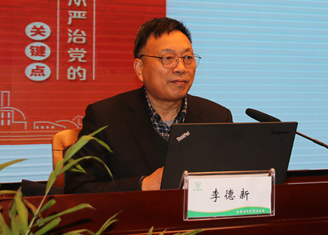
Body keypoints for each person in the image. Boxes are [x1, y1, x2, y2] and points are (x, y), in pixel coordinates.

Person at [65, 17, 233, 193]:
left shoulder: (217, 118)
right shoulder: (105, 118)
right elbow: (78, 189)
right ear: (140, 69)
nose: (181, 68)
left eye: (187, 58)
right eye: (168, 58)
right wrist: (141, 185)